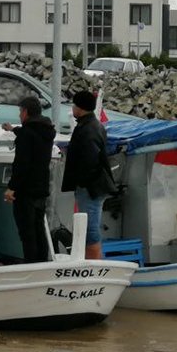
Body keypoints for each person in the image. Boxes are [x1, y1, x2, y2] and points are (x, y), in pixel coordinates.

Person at [60, 90, 117, 260]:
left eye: (75, 105)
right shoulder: (92, 125)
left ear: (80, 108)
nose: (73, 108)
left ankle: (94, 265)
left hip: (90, 187)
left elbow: (90, 160)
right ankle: (91, 262)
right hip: (93, 185)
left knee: (89, 229)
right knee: (88, 227)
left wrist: (82, 181)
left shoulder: (88, 129)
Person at [2, 96, 55, 263]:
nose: (19, 115)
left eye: (20, 111)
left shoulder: (27, 134)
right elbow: (32, 134)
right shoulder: (46, 131)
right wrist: (13, 129)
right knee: (39, 228)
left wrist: (12, 187)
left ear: (25, 112)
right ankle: (42, 263)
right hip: (41, 187)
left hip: (25, 190)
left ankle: (31, 264)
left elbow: (22, 164)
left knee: (27, 232)